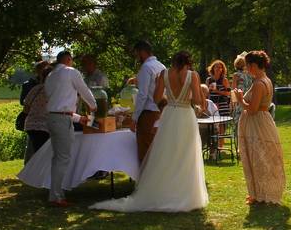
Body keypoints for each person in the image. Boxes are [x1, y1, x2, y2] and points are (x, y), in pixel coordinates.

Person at [92, 51, 208, 213]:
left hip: (169, 114)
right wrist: (195, 95)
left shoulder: (164, 74)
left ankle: (163, 191)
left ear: (173, 61)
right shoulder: (192, 75)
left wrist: (171, 101)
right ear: (188, 62)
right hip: (185, 115)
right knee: (185, 153)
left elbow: (156, 97)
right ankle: (185, 193)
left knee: (166, 153)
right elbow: (196, 99)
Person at [44, 50, 96, 208]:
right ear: (68, 60)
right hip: (61, 119)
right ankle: (56, 196)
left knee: (58, 158)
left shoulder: (50, 76)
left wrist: (79, 118)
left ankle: (55, 193)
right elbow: (84, 90)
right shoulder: (70, 72)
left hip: (53, 117)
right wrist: (94, 106)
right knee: (62, 158)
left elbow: (58, 105)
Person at [235, 51, 285, 205]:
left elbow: (252, 110)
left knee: (258, 158)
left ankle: (262, 194)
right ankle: (258, 193)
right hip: (263, 122)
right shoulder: (265, 80)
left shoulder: (258, 83)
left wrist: (240, 99)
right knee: (262, 157)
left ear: (254, 65)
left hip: (257, 123)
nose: (247, 69)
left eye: (248, 66)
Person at [132, 41, 166, 163]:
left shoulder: (146, 67)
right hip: (160, 111)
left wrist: (134, 118)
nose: (137, 58)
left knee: (146, 151)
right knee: (157, 150)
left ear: (142, 52)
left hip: (148, 114)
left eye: (137, 55)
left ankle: (146, 181)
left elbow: (142, 95)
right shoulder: (161, 66)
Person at [22, 62, 54, 163]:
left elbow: (26, 108)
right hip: (46, 126)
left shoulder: (35, 89)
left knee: (37, 151)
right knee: (43, 155)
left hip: (31, 125)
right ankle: (38, 175)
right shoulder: (54, 91)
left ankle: (33, 172)